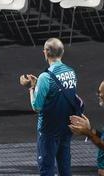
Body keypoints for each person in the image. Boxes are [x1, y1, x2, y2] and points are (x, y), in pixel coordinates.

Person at [19, 38, 81, 176]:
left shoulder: (45, 77)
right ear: (62, 52)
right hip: (66, 126)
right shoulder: (71, 72)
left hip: (49, 129)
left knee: (46, 167)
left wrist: (31, 88)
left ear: (45, 53)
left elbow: (37, 106)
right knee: (65, 166)